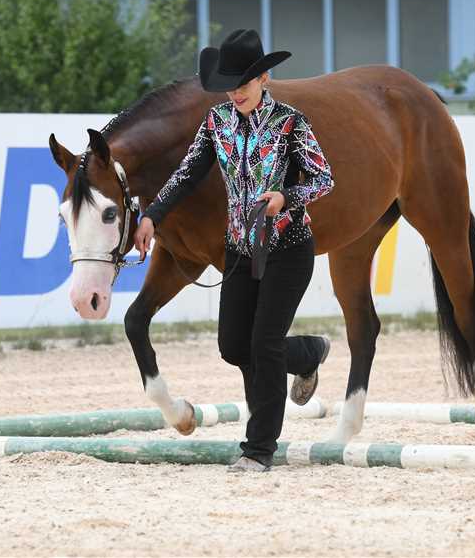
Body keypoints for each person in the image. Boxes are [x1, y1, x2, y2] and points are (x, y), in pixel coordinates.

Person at [133, 28, 334, 473]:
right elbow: (186, 174)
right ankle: (308, 353)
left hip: (288, 249)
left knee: (264, 345)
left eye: (243, 82)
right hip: (240, 250)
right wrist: (152, 217)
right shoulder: (216, 122)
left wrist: (286, 196)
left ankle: (259, 449)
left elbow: (324, 180)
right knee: (233, 346)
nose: (235, 92)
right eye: (229, 84)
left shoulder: (291, 122)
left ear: (264, 78)